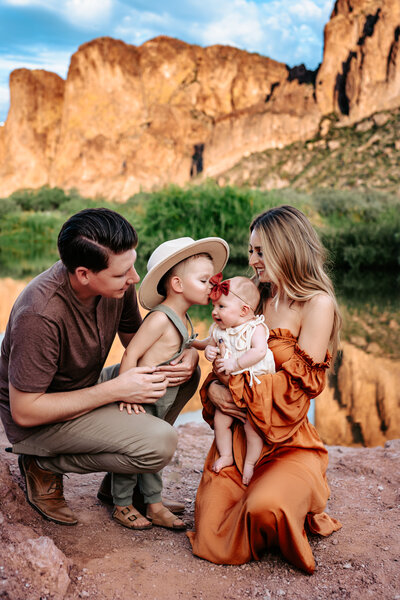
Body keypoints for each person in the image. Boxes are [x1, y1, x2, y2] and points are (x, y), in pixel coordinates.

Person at [0, 208, 210, 527]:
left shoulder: (117, 285)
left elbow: (139, 346)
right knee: (160, 442)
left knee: (181, 376)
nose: (134, 279)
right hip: (40, 419)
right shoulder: (39, 315)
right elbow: (25, 411)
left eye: (133, 266)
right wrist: (115, 389)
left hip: (83, 386)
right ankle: (42, 464)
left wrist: (187, 354)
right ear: (84, 274)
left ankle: (122, 486)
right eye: (122, 273)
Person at [187, 205, 343, 574]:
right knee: (210, 527)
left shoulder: (317, 304)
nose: (252, 260)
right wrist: (213, 390)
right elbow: (224, 357)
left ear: (286, 248)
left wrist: (232, 387)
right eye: (251, 251)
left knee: (263, 508)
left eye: (260, 251)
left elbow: (296, 392)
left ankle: (295, 492)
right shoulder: (255, 295)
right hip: (242, 432)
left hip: (288, 439)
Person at [111, 236, 229, 531]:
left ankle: (153, 503)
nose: (212, 287)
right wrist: (127, 392)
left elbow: (189, 342)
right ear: (177, 284)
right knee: (131, 450)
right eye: (204, 280)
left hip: (158, 398)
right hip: (140, 397)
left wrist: (208, 343)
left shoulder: (182, 316)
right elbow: (131, 353)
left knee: (153, 452)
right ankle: (122, 504)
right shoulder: (160, 319)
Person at [193, 274, 275, 485]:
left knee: (252, 427)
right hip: (229, 387)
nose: (214, 311)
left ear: (244, 310)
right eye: (214, 306)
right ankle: (227, 455)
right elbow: (207, 343)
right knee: (221, 420)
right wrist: (206, 349)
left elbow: (259, 351)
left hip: (254, 386)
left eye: (221, 306)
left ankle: (250, 464)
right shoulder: (219, 330)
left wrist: (236, 365)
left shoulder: (254, 329)